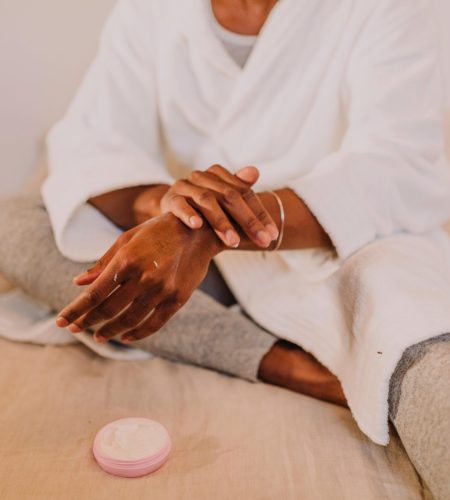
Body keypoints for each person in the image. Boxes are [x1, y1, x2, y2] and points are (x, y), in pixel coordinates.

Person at [1, 2, 450, 488]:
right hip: (190, 265)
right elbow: (92, 142)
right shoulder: (150, 11)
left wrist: (204, 229)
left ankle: (367, 366)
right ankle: (283, 363)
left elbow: (394, 166)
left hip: (345, 246)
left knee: (421, 351)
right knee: (15, 223)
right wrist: (169, 209)